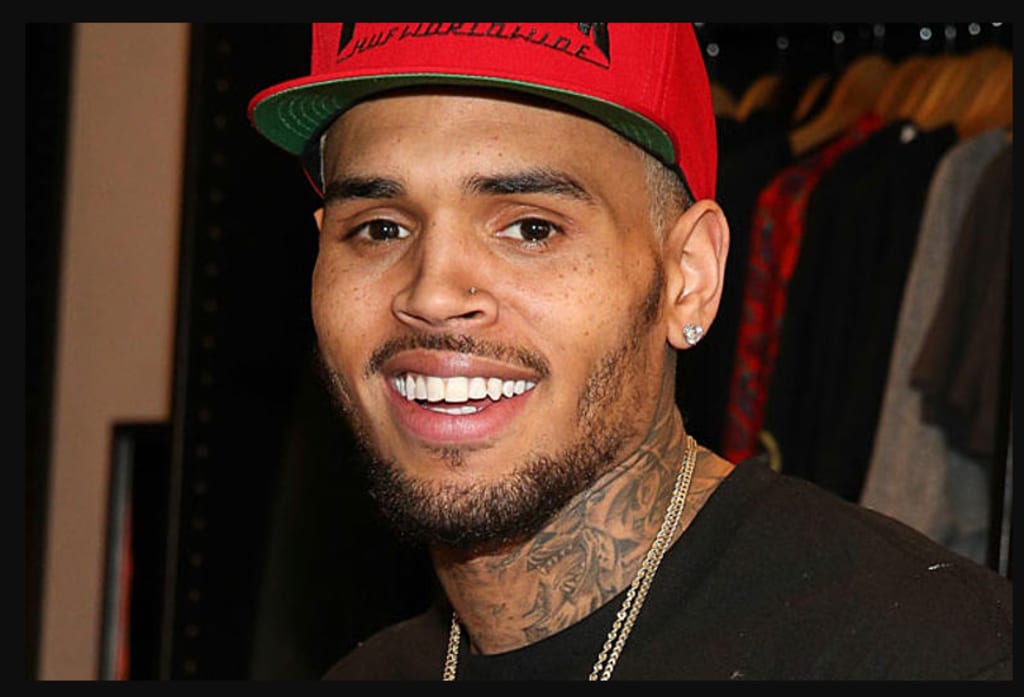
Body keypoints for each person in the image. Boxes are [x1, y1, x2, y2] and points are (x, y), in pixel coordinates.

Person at [247, 22, 1012, 680]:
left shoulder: (939, 653)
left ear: (689, 277)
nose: (433, 293)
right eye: (379, 228)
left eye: (531, 228)